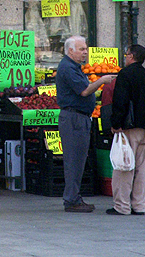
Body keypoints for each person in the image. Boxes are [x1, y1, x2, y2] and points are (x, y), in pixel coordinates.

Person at [55, 35, 116, 213]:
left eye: (86, 49)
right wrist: (101, 81)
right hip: (74, 118)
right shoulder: (68, 67)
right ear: (70, 50)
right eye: (81, 49)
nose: (85, 52)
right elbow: (84, 91)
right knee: (74, 160)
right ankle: (72, 200)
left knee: (78, 159)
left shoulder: (74, 67)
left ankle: (74, 197)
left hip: (79, 117)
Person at [106, 44, 145, 216]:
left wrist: (116, 123)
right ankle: (139, 205)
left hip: (128, 128)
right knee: (141, 167)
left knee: (124, 165)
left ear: (131, 56)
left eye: (126, 54)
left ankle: (122, 206)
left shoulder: (125, 75)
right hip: (144, 129)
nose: (125, 57)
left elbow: (120, 102)